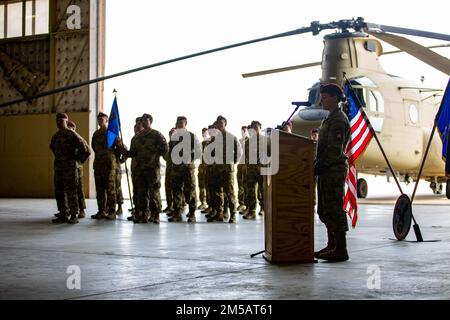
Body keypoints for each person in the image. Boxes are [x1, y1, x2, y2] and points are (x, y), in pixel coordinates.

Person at [314, 83, 351, 262]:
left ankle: (341, 248)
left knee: (334, 209)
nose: (322, 100)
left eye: (325, 97)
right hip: (325, 169)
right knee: (324, 210)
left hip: (333, 170)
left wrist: (317, 166)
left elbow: (334, 151)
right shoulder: (329, 119)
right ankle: (332, 245)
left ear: (335, 98)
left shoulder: (338, 120)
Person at [122, 113, 168, 224]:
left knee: (154, 193)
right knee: (142, 193)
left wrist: (155, 154)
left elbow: (165, 149)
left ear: (150, 122)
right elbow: (133, 153)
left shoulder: (157, 135)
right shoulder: (137, 137)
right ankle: (143, 214)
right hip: (140, 170)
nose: (144, 123)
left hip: (152, 169)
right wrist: (125, 152)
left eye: (146, 121)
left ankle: (155, 215)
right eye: (142, 121)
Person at [50, 113, 89, 224]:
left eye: (61, 120)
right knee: (59, 192)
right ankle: (63, 214)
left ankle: (73, 215)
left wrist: (78, 160)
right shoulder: (55, 136)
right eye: (57, 121)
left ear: (66, 121)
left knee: (71, 191)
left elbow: (85, 150)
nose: (58, 123)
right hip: (58, 168)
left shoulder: (72, 134)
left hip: (70, 169)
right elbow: (53, 148)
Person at [206, 115, 242, 223]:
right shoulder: (213, 139)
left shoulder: (231, 137)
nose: (219, 125)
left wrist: (231, 162)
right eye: (218, 123)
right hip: (216, 170)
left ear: (225, 124)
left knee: (230, 193)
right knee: (217, 193)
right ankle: (220, 214)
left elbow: (239, 152)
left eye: (221, 123)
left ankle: (233, 215)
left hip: (227, 170)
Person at [168, 116, 201, 222]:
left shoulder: (191, 136)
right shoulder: (174, 137)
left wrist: (189, 159)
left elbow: (198, 151)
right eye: (178, 123)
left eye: (181, 123)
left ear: (185, 124)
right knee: (176, 191)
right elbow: (169, 151)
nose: (179, 124)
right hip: (176, 169)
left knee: (190, 191)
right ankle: (177, 213)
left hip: (187, 169)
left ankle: (192, 214)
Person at [91, 112, 118, 220]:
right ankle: (101, 210)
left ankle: (112, 212)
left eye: (102, 119)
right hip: (98, 165)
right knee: (100, 189)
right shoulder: (96, 134)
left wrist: (119, 157)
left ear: (107, 120)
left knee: (110, 189)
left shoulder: (111, 133)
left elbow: (120, 146)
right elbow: (94, 147)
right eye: (99, 119)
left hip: (109, 166)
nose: (100, 120)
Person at [67, 120, 90, 219]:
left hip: (77, 167)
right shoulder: (66, 138)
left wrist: (80, 161)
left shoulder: (77, 138)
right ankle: (68, 209)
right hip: (68, 167)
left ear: (73, 128)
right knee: (68, 189)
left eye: (70, 128)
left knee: (79, 188)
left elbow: (87, 151)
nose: (68, 129)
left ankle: (82, 210)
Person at [243, 121, 265, 220]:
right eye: (253, 127)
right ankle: (252, 211)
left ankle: (264, 208)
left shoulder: (265, 140)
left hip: (262, 169)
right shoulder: (248, 141)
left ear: (260, 127)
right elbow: (246, 156)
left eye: (256, 127)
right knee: (250, 191)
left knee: (263, 191)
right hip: (251, 170)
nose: (255, 129)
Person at [237, 125, 249, 212]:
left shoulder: (251, 140)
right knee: (240, 185)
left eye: (245, 130)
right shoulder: (240, 141)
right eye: (242, 130)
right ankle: (242, 203)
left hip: (249, 166)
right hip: (241, 164)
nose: (243, 132)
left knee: (248, 186)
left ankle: (249, 205)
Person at [197, 128, 209, 211]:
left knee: (209, 187)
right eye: (203, 133)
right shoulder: (201, 144)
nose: (204, 134)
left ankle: (209, 204)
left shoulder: (211, 143)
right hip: (201, 168)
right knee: (201, 186)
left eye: (205, 132)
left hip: (209, 168)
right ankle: (203, 202)